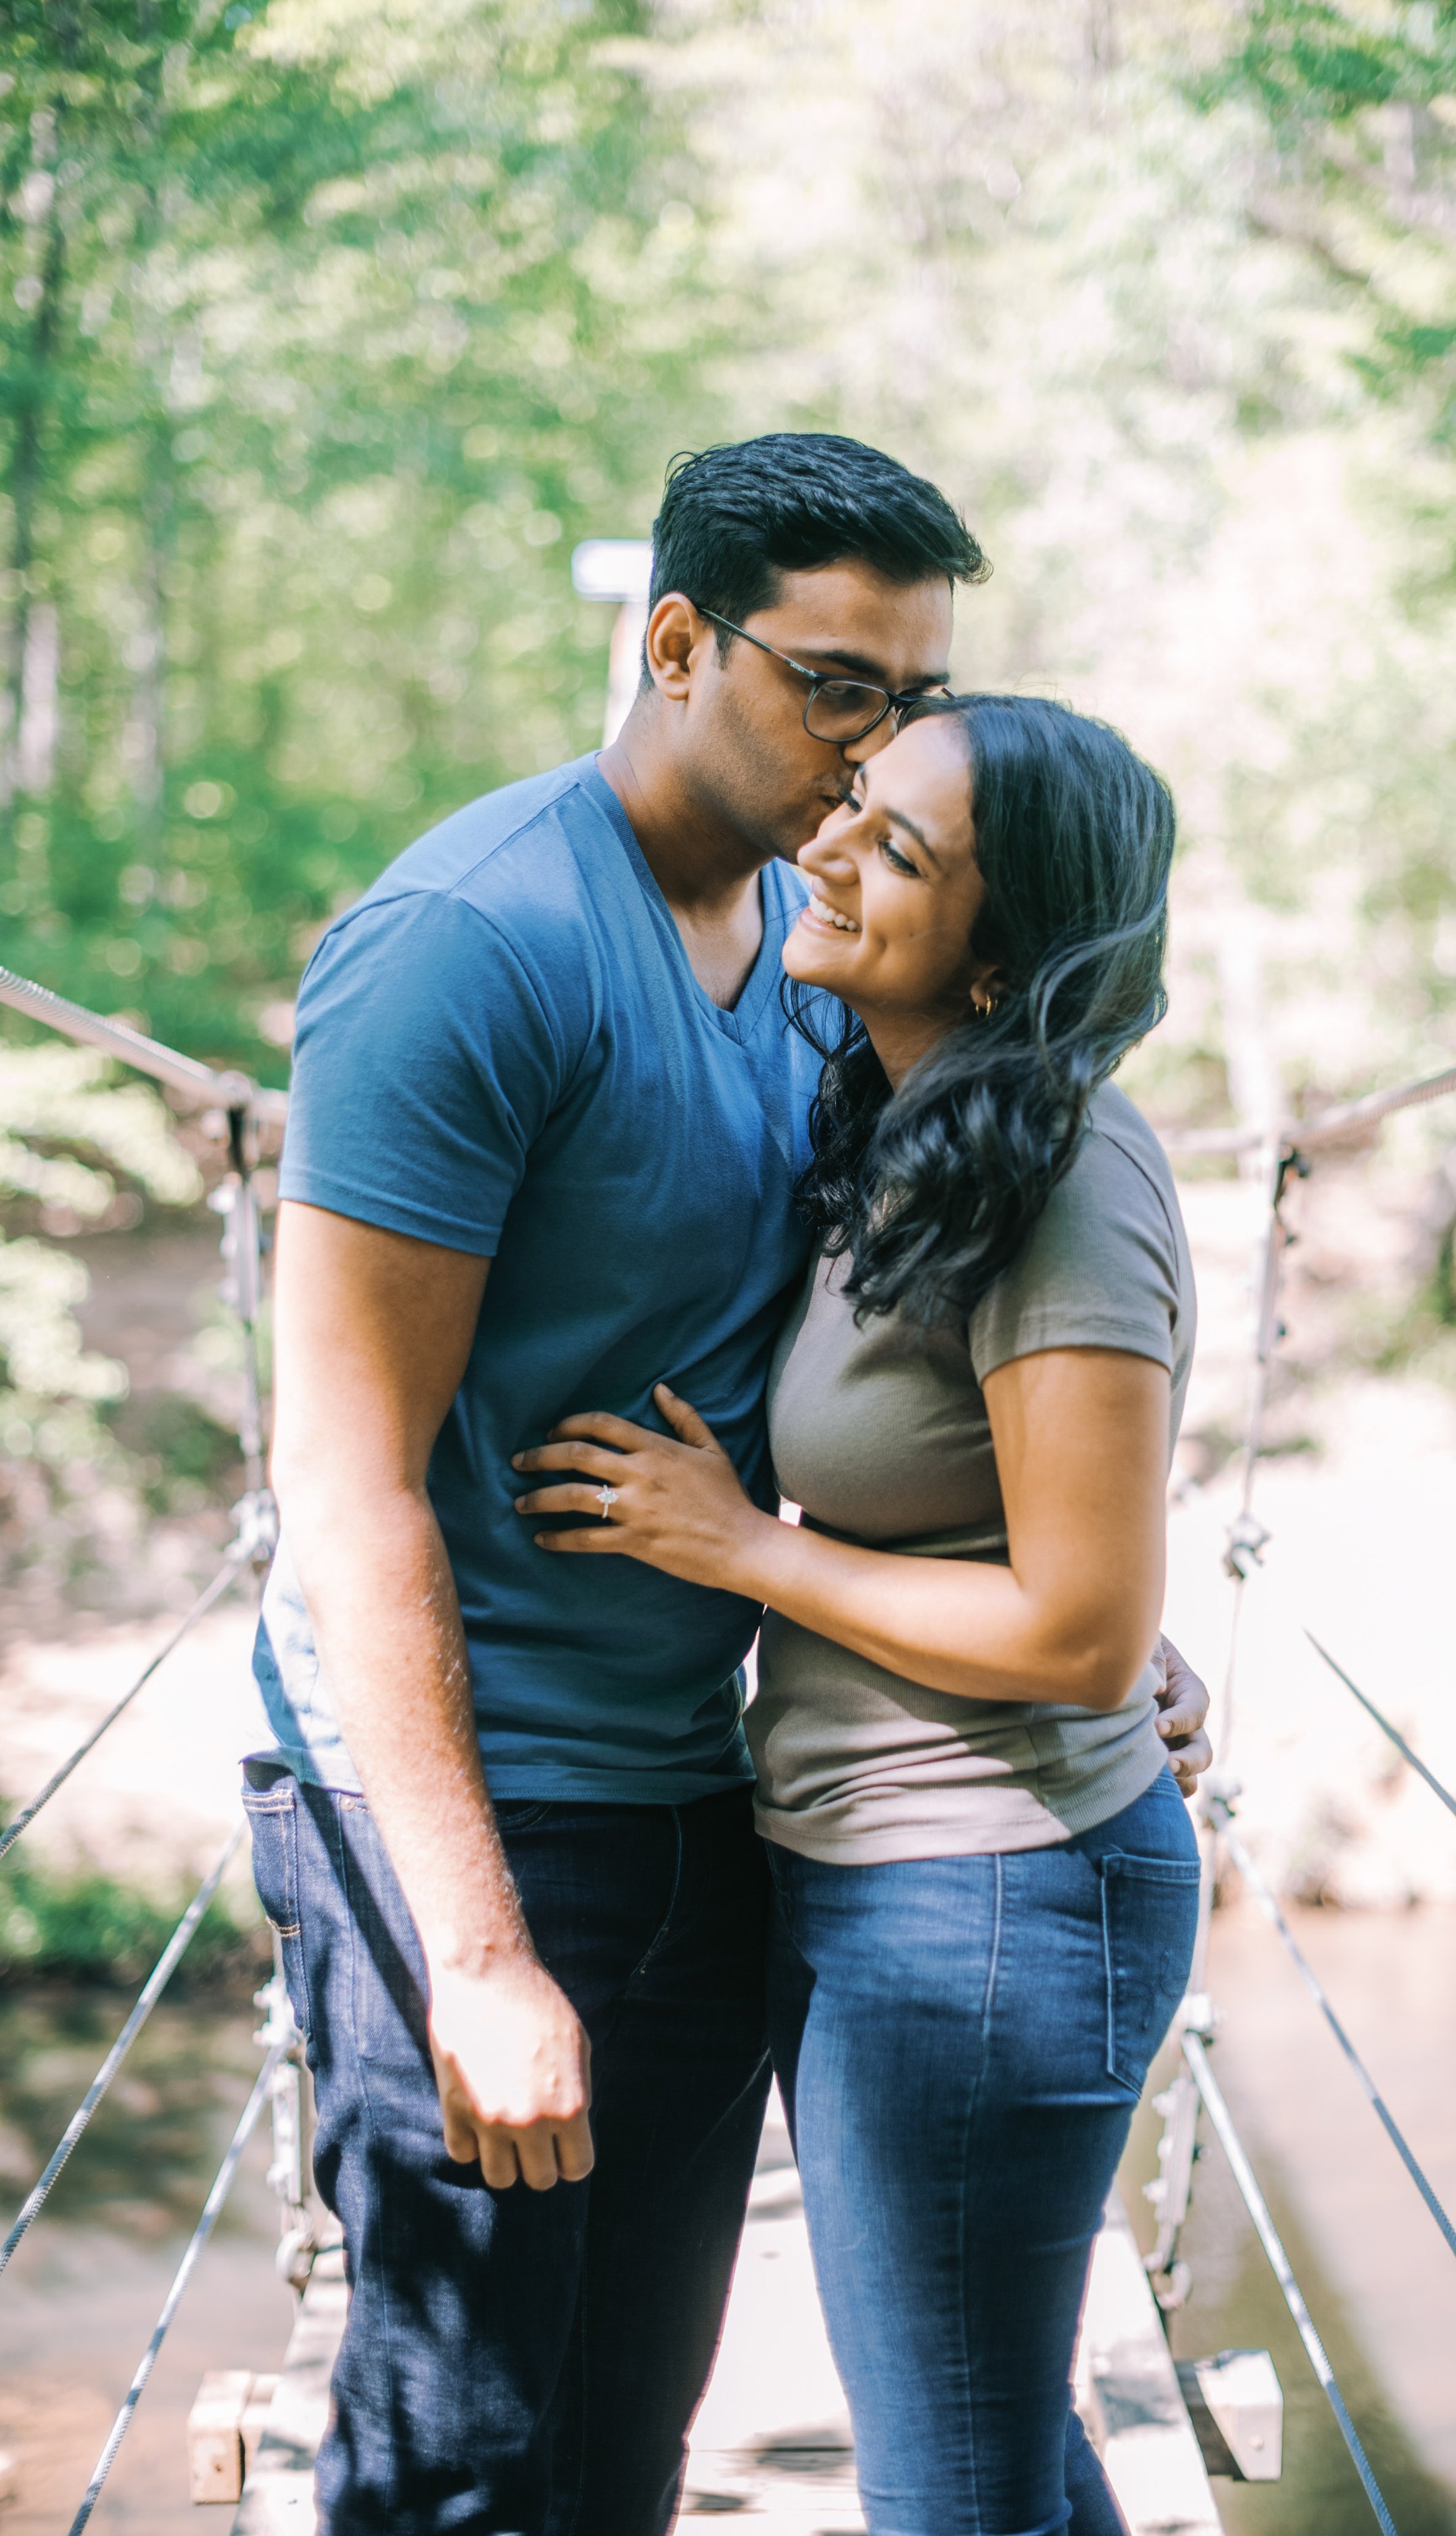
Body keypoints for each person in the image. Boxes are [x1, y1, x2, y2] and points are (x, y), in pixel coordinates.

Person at [248, 429, 1210, 2533]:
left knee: (615, 2456)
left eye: (908, 700)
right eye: (838, 688)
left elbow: (937, 1362)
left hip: (713, 1806)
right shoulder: (465, 946)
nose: (872, 753)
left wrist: (1093, 1618)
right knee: (460, 2477)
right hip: (482, 1825)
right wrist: (476, 1954)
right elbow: (344, 1486)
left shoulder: (813, 947)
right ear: (678, 643)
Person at [511, 690, 1200, 2536]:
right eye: (851, 804)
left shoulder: (1060, 1169)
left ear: (1007, 952)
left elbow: (1073, 1630)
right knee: (991, 2434)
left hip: (984, 1899)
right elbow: (1034, 1538)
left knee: (948, 2488)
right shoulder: (893, 1118)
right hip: (891, 1875)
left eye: (898, 851)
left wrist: (740, 1548)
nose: (825, 845)